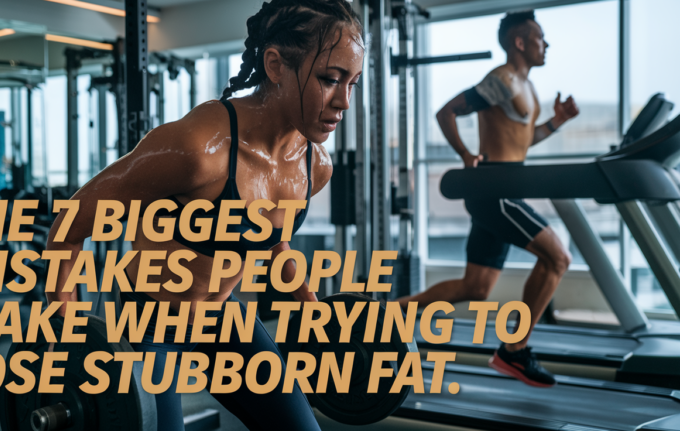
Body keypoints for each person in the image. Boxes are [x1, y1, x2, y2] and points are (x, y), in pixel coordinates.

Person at [45, 1, 364, 429]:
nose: (344, 101)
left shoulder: (314, 168)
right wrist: (65, 335)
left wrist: (312, 307)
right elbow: (70, 226)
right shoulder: (198, 149)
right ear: (275, 65)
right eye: (329, 79)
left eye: (353, 82)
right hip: (149, 322)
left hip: (222, 318)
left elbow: (270, 238)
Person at [398, 10, 579, 387]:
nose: (546, 44)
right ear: (519, 42)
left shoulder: (526, 87)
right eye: (540, 37)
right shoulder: (504, 80)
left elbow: (523, 143)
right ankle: (514, 351)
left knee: (475, 287)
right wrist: (465, 154)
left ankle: (386, 316)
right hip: (495, 191)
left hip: (501, 190)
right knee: (558, 257)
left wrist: (557, 121)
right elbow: (447, 111)